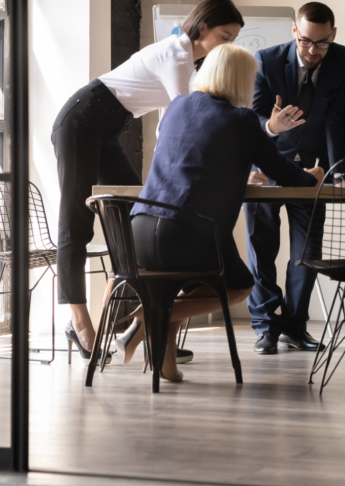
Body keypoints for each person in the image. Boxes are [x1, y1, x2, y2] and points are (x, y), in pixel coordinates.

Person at [117, 44, 324, 381]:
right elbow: (283, 173)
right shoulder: (241, 119)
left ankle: (165, 363)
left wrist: (238, 172)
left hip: (138, 229)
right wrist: (312, 176)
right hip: (185, 231)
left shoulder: (177, 106)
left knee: (180, 284)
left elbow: (192, 159)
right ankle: (145, 319)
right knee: (240, 285)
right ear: (242, 81)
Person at [52, 0, 244, 357]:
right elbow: (181, 120)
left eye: (234, 39)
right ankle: (79, 323)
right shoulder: (177, 54)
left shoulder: (192, 61)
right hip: (82, 120)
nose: (229, 45)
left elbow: (169, 125)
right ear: (202, 28)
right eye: (225, 36)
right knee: (77, 220)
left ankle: (146, 330)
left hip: (107, 126)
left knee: (132, 217)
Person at [245, 2, 345, 354]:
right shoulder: (265, 60)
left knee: (306, 251)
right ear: (295, 31)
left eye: (322, 43)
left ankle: (295, 326)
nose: (313, 51)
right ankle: (265, 326)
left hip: (312, 171)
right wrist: (271, 127)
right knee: (261, 248)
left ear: (333, 36)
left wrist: (337, 171)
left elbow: (339, 118)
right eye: (306, 41)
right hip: (266, 166)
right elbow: (253, 117)